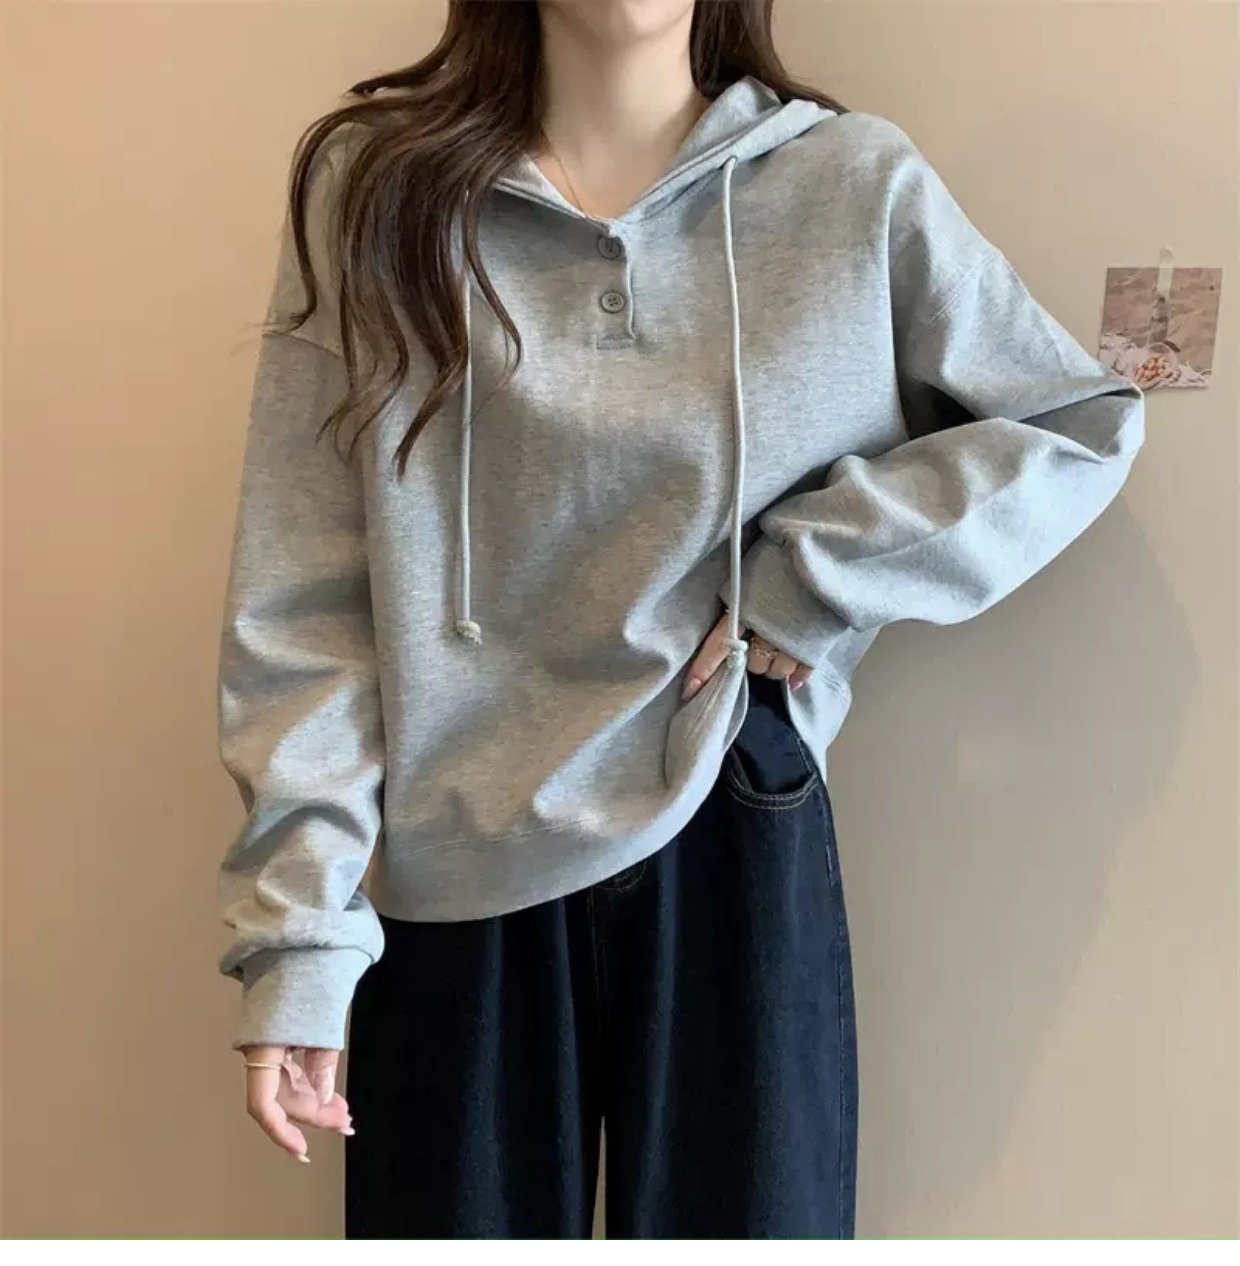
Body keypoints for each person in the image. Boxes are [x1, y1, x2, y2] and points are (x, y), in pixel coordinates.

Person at [216, 0, 1144, 1240]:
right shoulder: (378, 193)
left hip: (732, 796)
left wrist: (813, 574)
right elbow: (304, 595)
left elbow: (1074, 423)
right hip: (450, 843)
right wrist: (300, 936)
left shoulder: (848, 182)